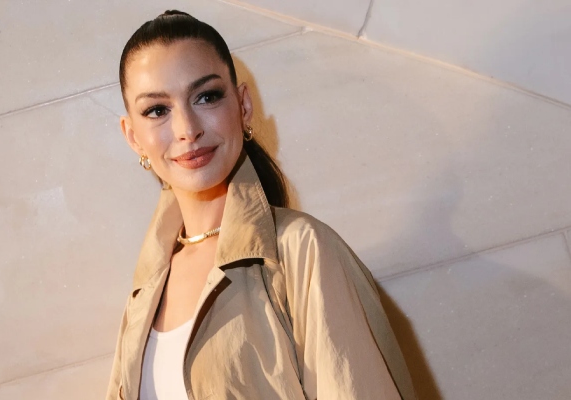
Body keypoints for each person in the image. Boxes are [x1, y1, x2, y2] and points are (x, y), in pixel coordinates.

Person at [107, 10, 416, 400]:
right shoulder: (143, 296)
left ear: (243, 105)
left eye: (206, 97)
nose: (188, 129)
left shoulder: (302, 250)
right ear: (133, 136)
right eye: (157, 110)